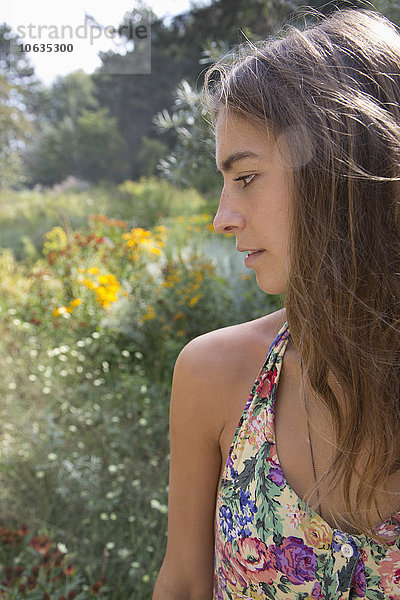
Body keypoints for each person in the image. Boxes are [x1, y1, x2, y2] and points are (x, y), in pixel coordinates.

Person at [152, 8, 400, 599]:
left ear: (344, 172)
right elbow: (185, 582)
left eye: (246, 177)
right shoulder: (215, 377)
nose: (221, 217)